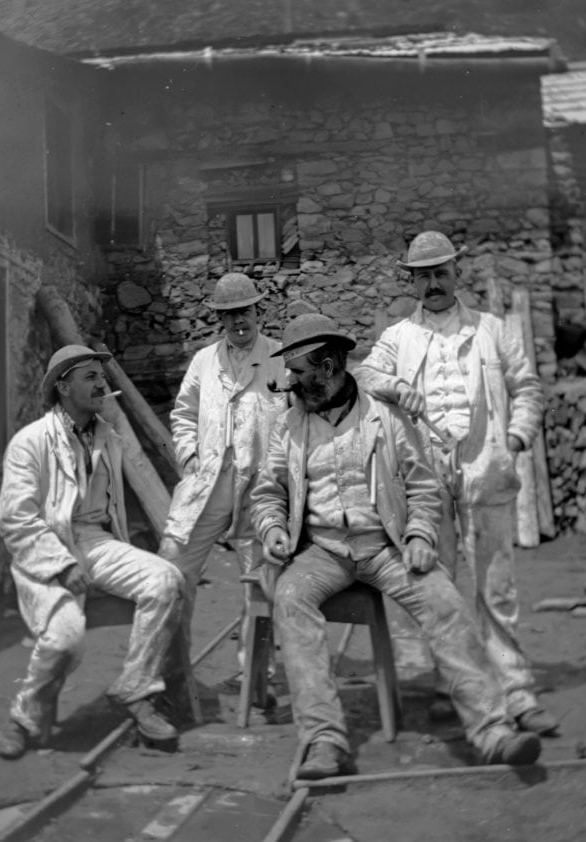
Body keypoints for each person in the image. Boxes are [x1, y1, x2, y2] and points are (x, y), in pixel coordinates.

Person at [249, 313, 542, 780]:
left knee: (444, 602)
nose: (292, 382)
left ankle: (494, 732)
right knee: (289, 597)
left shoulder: (385, 417)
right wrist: (273, 530)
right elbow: (268, 492)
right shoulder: (289, 426)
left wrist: (420, 535)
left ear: (328, 368)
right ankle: (324, 740)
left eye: (301, 372)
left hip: (384, 546)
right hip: (322, 550)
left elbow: (423, 487)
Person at [355, 230, 559, 736]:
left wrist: (512, 440)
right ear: (412, 282)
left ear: (456, 274)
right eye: (421, 276)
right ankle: (457, 689)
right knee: (439, 593)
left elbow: (528, 388)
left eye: (439, 273)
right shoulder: (399, 337)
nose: (432, 285)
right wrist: (396, 386)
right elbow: (363, 375)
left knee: (497, 591)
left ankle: (517, 694)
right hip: (425, 485)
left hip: (485, 474)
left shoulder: (492, 330)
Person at [0, 344, 186, 759]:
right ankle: (24, 717)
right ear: (63, 387)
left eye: (103, 376)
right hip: (46, 548)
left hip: (95, 542)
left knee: (166, 580)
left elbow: (110, 507)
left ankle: (135, 689)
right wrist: (61, 566)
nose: (102, 384)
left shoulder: (107, 437)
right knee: (65, 639)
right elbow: (16, 519)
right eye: (91, 377)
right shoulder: (30, 443)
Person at [159, 273, 287, 695]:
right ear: (220, 319)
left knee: (261, 578)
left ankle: (257, 678)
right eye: (229, 315)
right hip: (209, 482)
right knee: (176, 566)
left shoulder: (279, 358)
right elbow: (182, 414)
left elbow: (293, 417)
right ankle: (173, 674)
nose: (238, 322)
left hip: (260, 485)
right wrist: (190, 457)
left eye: (245, 312)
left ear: (257, 312)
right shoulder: (204, 361)